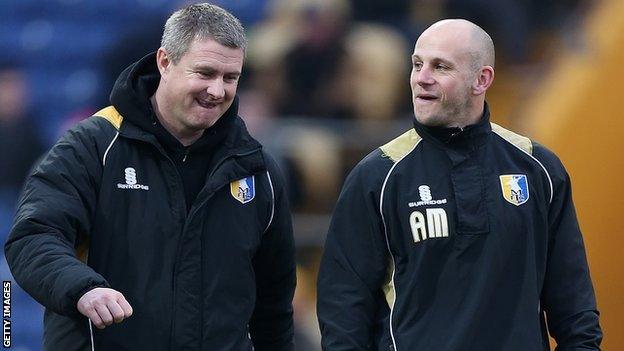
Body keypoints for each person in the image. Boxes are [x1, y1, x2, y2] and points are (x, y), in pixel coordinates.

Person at [5, 3, 296, 350]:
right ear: (164, 62)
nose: (217, 91)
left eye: (229, 78)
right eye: (204, 73)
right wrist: (81, 287)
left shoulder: (256, 168)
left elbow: (273, 304)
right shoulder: (91, 147)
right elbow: (33, 237)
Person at [317, 19, 601, 350]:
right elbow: (343, 309)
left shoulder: (539, 169)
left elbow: (574, 303)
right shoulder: (377, 176)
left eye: (440, 67)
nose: (422, 78)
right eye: (417, 64)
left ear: (482, 79)